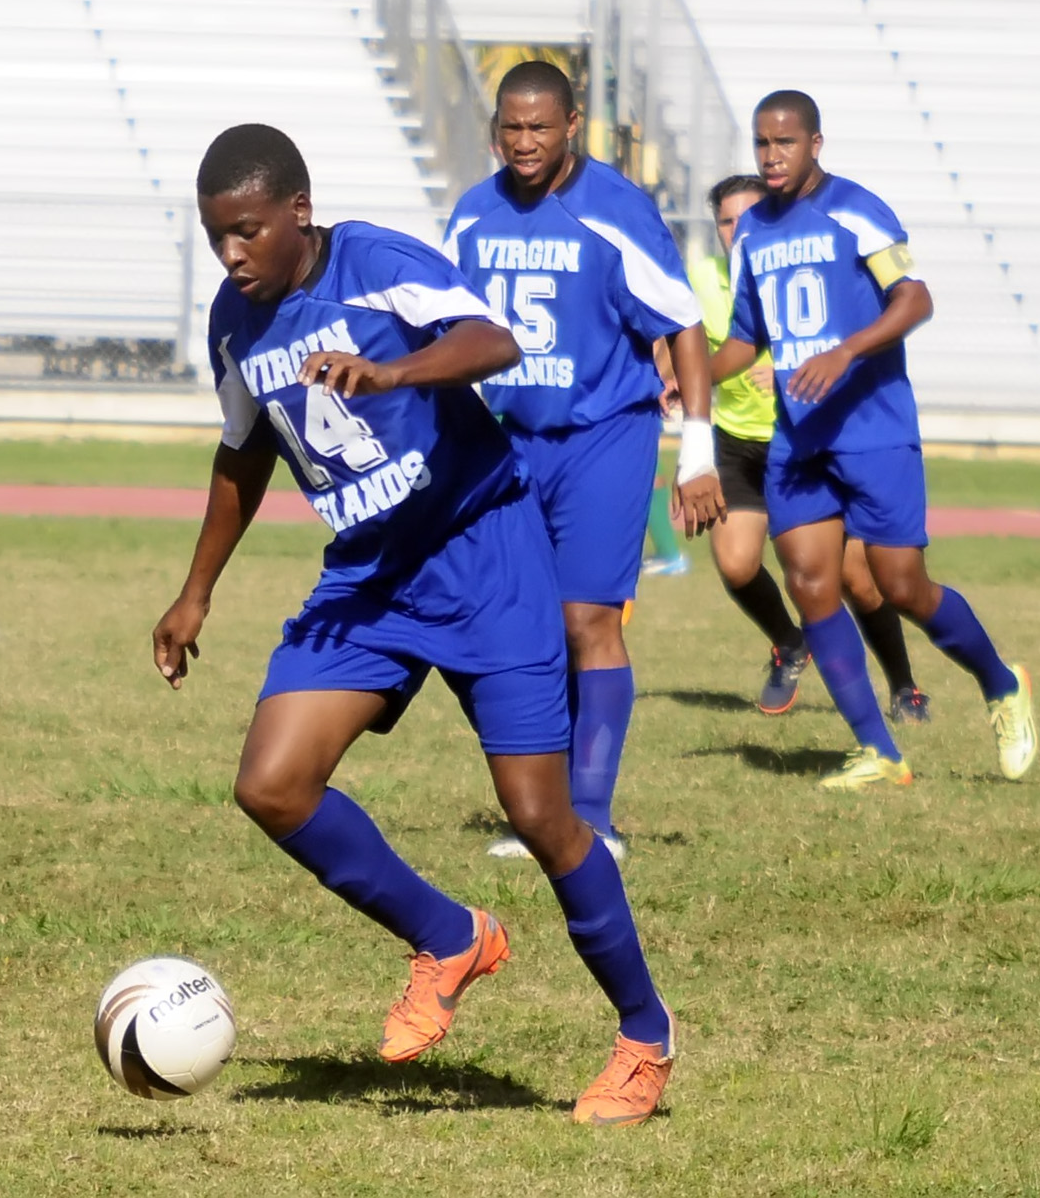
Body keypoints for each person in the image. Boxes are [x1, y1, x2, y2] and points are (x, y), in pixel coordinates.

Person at [152, 123, 675, 1125]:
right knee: (271, 784)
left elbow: (494, 339)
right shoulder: (236, 320)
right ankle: (449, 937)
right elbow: (242, 451)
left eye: (247, 232)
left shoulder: (378, 264)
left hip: (486, 557)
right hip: (370, 575)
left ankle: (645, 1036)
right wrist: (196, 591)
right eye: (218, 236)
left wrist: (393, 373)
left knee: (542, 818)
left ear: (297, 212)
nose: (231, 254)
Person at [711, 92, 1037, 789]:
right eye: (762, 143)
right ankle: (879, 751)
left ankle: (1002, 682)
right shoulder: (754, 236)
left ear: (815, 144)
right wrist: (692, 380)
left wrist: (845, 351)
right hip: (799, 442)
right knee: (811, 583)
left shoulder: (856, 209)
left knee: (901, 585)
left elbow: (915, 298)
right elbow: (746, 338)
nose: (772, 155)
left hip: (874, 429)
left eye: (786, 142)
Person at [442, 61, 724, 858]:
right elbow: (444, 331)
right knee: (523, 630)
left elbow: (684, 325)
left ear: (572, 126)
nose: (523, 143)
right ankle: (543, 810)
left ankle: (590, 818)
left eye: (540, 127)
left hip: (606, 433)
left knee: (586, 619)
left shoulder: (618, 211)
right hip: (509, 443)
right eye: (510, 128)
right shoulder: (471, 216)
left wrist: (696, 453)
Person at [693, 173, 930, 720]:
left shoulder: (800, 255)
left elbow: (823, 327)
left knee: (858, 580)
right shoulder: (703, 279)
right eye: (724, 221)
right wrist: (679, 372)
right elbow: (689, 340)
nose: (735, 229)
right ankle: (789, 644)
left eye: (743, 216)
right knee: (734, 564)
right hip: (738, 443)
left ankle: (903, 685)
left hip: (803, 437)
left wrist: (788, 371)